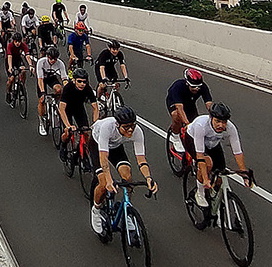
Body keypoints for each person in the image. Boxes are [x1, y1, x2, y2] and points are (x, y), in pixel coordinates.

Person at [89, 107, 157, 236]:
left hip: (115, 146)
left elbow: (141, 159)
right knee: (103, 183)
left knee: (128, 176)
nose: (130, 130)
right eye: (126, 127)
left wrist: (148, 178)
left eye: (132, 126)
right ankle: (96, 210)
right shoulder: (107, 127)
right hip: (97, 144)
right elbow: (103, 159)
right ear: (117, 125)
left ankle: (127, 208)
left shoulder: (137, 132)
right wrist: (109, 180)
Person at [184, 103, 252, 208]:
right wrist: (205, 179)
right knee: (207, 163)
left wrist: (244, 173)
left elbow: (237, 152)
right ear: (211, 118)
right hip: (193, 140)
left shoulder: (231, 128)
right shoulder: (201, 125)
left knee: (221, 176)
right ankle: (200, 193)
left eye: (224, 122)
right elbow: (200, 156)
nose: (221, 125)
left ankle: (213, 197)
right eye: (217, 121)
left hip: (212, 144)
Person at [57, 67, 99, 159]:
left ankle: (86, 153)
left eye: (84, 82)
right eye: (79, 81)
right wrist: (68, 125)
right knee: (67, 133)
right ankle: (63, 146)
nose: (82, 84)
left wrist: (96, 122)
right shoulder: (68, 88)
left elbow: (95, 107)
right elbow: (61, 109)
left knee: (86, 132)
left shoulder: (88, 89)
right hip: (67, 110)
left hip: (79, 109)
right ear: (74, 80)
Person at [166, 68, 214, 142]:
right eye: (193, 86)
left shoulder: (203, 87)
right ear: (187, 83)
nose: (196, 89)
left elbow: (209, 105)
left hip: (189, 103)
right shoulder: (178, 87)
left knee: (196, 123)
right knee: (176, 115)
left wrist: (215, 118)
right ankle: (175, 136)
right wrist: (187, 124)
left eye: (198, 86)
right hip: (174, 102)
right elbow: (179, 108)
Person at [35, 45, 67, 135]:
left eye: (55, 59)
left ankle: (56, 104)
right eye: (51, 58)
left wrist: (67, 89)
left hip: (51, 78)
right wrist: (43, 92)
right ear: (47, 56)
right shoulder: (41, 62)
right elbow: (40, 80)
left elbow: (64, 78)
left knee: (59, 89)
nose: (53, 61)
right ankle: (41, 122)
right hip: (42, 79)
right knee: (42, 100)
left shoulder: (60, 63)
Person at [5, 29, 30, 105]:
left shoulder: (23, 45)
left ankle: (22, 84)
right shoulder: (10, 45)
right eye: (16, 41)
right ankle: (8, 92)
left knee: (23, 71)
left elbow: (27, 55)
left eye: (19, 41)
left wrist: (31, 65)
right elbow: (9, 56)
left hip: (18, 59)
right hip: (10, 60)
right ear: (13, 41)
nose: (18, 43)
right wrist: (10, 67)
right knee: (11, 79)